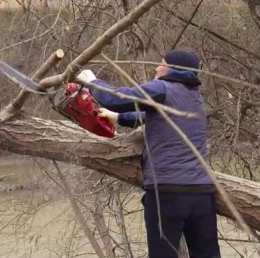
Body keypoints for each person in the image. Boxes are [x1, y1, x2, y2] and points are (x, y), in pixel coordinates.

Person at [76, 50, 220, 258]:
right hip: (202, 194)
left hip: (167, 193)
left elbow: (117, 98)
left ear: (171, 69)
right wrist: (118, 118)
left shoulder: (162, 87)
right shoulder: (194, 97)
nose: (156, 68)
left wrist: (92, 81)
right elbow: (151, 115)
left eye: (160, 64)